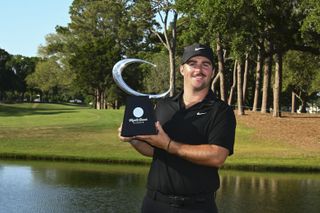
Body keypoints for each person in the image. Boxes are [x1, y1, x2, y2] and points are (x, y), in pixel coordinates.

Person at [118, 43, 236, 213]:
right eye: (192, 63)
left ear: (212, 71)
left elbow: (217, 156)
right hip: (154, 203)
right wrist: (133, 139)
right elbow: (154, 150)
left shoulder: (221, 111)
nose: (199, 69)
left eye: (205, 64)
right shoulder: (164, 105)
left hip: (197, 207)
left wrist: (168, 144)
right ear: (182, 69)